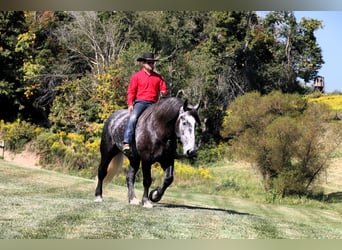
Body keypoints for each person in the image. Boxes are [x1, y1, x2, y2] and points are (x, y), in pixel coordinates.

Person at [122, 52, 168, 155]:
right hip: (141, 103)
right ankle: (126, 142)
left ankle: (165, 145)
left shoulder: (158, 77)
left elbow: (164, 88)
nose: (151, 65)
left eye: (152, 63)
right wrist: (130, 104)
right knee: (133, 118)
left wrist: (164, 92)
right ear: (143, 63)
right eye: (149, 63)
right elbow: (131, 91)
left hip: (154, 104)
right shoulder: (136, 76)